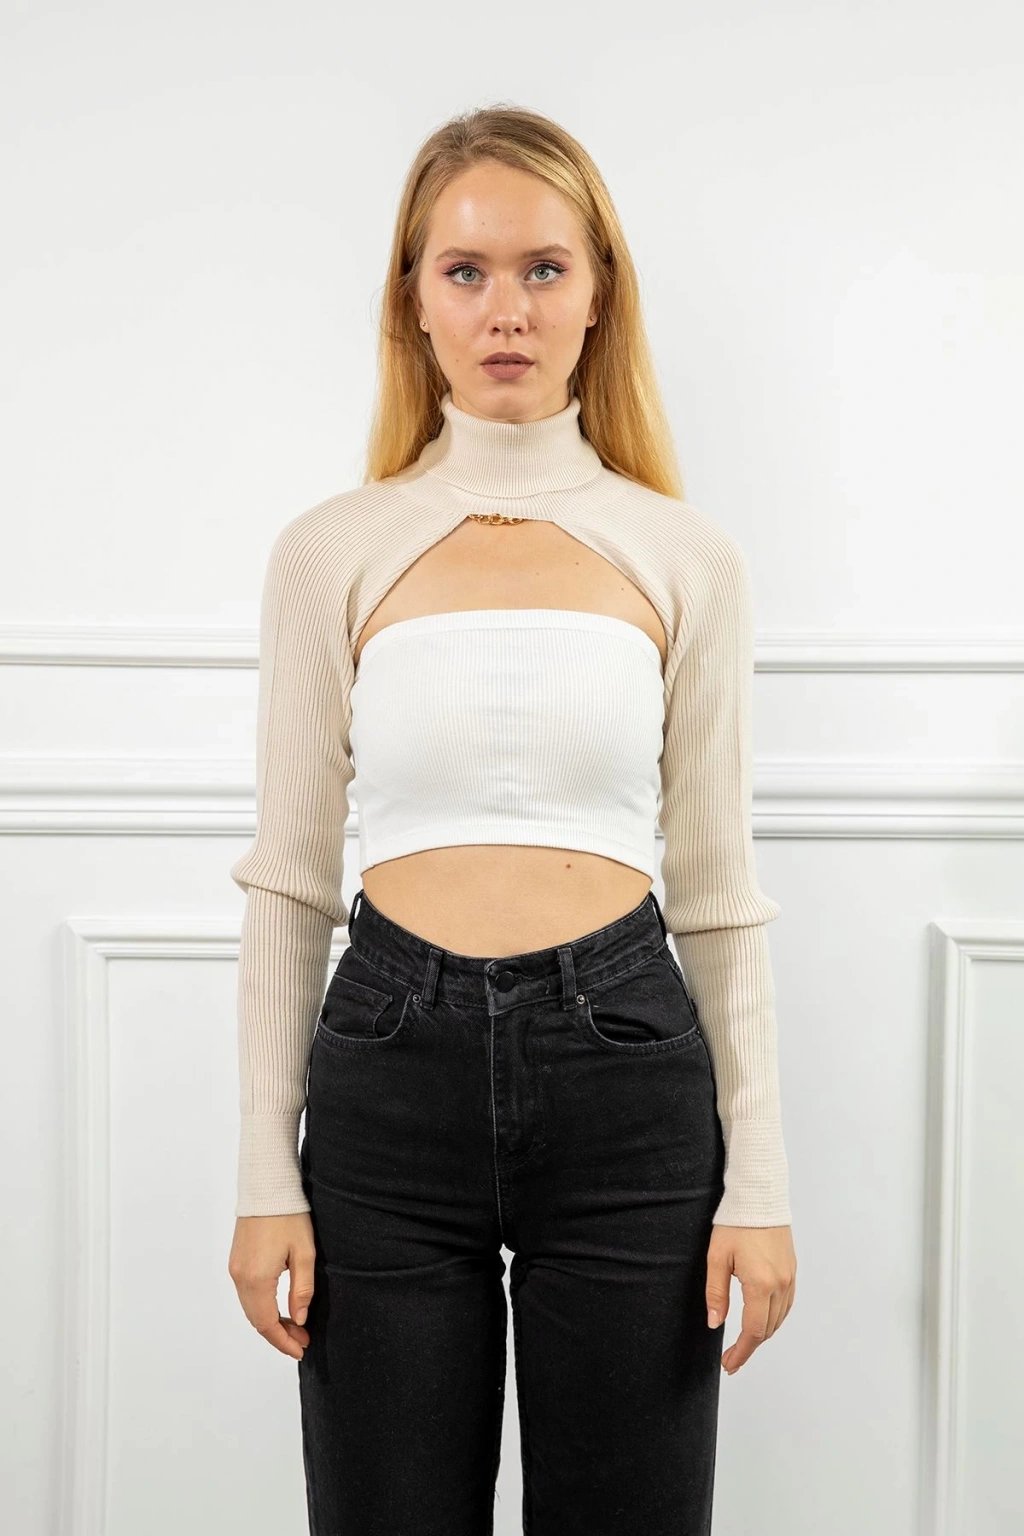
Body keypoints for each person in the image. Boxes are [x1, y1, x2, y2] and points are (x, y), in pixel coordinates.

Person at [227, 103, 797, 1536]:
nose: (507, 310)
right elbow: (291, 879)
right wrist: (261, 1173)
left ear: (599, 294)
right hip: (386, 1079)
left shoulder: (684, 557)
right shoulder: (330, 554)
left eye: (545, 268)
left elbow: (718, 888)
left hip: (627, 1081)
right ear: (413, 300)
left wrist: (763, 1185)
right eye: (466, 270)